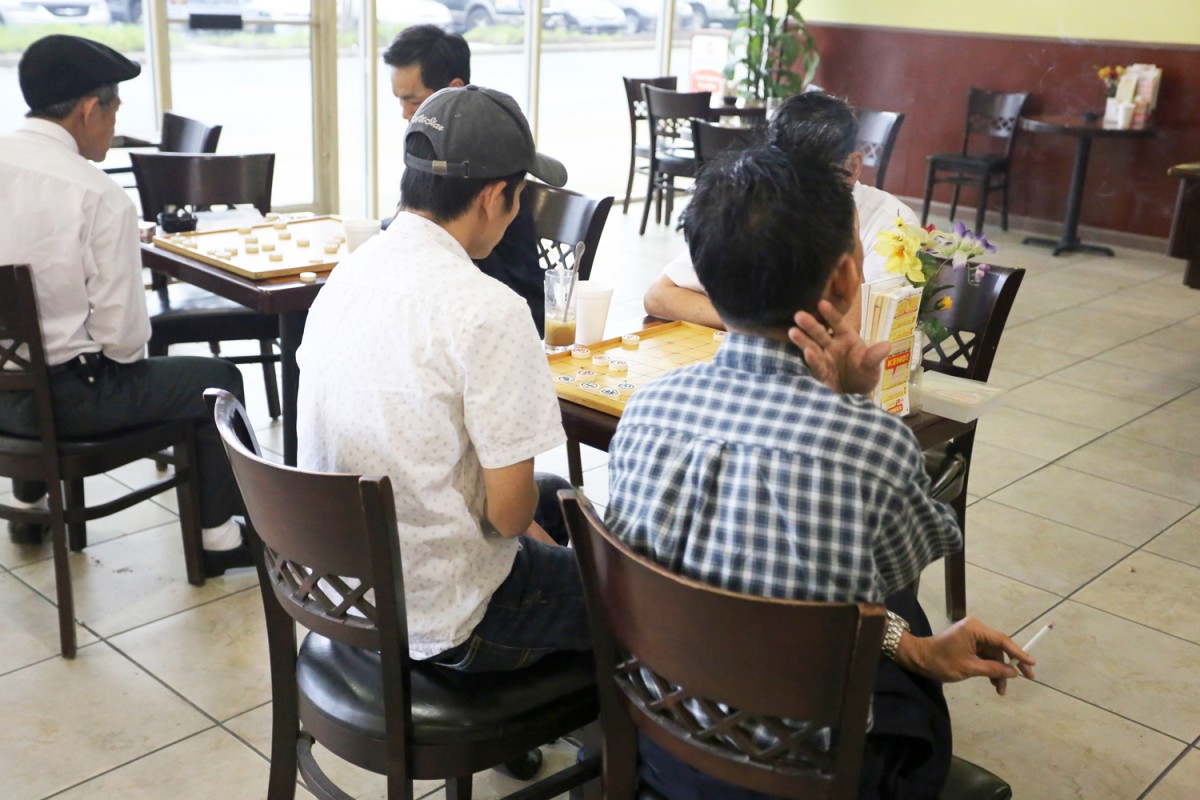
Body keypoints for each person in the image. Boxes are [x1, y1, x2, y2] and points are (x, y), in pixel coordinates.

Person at [606, 144, 1034, 799]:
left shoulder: (646, 410)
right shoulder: (871, 444)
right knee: (905, 651)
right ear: (843, 276)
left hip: (665, 749)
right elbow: (896, 572)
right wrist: (850, 406)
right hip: (801, 776)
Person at [296, 85, 591, 779]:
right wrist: (540, 547)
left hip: (347, 589)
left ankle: (541, 726)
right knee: (644, 597)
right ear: (493, 197)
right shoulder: (487, 309)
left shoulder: (349, 271)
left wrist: (535, 537)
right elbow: (508, 516)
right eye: (519, 199)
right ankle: (612, 761)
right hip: (445, 620)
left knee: (554, 496)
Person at [0, 35, 253, 577]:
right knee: (217, 379)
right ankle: (218, 537)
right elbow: (125, 343)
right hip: (67, 402)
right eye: (115, 109)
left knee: (30, 354)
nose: (114, 124)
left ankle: (29, 502)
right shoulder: (97, 195)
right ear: (91, 109)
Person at [642, 92, 921, 331]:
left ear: (852, 167)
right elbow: (659, 296)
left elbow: (862, 330)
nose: (792, 186)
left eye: (810, 175)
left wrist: (763, 329)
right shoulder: (759, 206)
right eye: (781, 169)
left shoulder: (893, 223)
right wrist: (753, 327)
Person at [383, 25, 547, 336]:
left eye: (413, 101)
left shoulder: (483, 162)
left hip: (500, 315)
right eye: (399, 100)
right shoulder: (435, 153)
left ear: (453, 88)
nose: (405, 114)